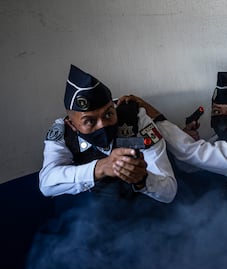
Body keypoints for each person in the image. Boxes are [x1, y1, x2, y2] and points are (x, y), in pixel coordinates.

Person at [119, 71, 227, 203]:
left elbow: (192, 153)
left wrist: (153, 113)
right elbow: (192, 165)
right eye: (217, 112)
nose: (223, 117)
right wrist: (189, 138)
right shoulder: (222, 139)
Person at [39, 64, 177, 203]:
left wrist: (143, 179)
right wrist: (101, 167)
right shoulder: (63, 132)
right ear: (72, 123)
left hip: (145, 207)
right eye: (90, 121)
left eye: (108, 114)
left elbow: (169, 191)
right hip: (92, 212)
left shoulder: (136, 118)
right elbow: (46, 184)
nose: (103, 125)